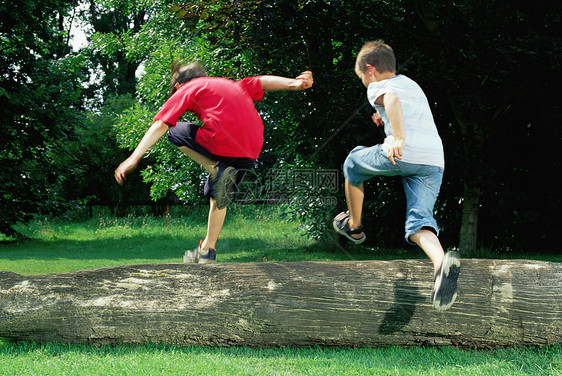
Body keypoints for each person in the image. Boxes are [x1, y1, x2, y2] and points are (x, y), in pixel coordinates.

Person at [115, 61, 313, 263]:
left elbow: (161, 123)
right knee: (220, 195)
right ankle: (208, 250)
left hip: (222, 141)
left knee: (175, 131)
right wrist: (295, 84)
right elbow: (261, 81)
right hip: (251, 148)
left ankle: (215, 169)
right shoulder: (233, 84)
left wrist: (134, 157)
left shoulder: (189, 88)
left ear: (178, 86)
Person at [332, 40, 460, 311]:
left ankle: (354, 227)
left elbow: (391, 100)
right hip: (434, 160)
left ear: (370, 70)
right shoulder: (410, 83)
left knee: (353, 162)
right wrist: (384, 118)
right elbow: (399, 106)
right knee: (419, 222)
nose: (365, 85)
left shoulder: (379, 87)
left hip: (405, 153)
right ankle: (441, 266)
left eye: (362, 79)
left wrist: (398, 137)